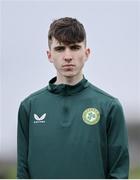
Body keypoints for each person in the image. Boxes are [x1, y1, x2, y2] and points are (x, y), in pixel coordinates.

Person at [17, 17, 129, 179]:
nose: (68, 56)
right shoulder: (30, 106)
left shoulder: (109, 106)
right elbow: (22, 171)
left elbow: (119, 172)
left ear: (86, 53)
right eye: (60, 49)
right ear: (49, 55)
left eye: (75, 47)